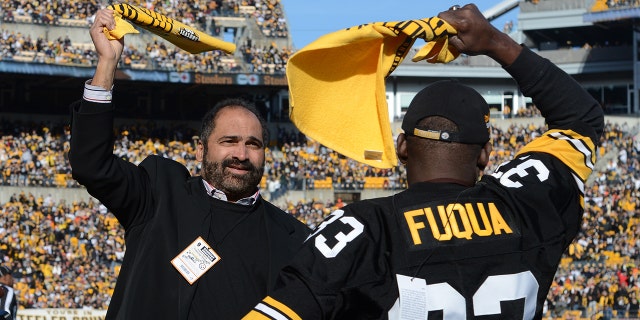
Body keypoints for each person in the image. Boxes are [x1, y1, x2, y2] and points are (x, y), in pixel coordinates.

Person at [244, 3, 604, 319]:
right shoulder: (523, 204)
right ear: (484, 154)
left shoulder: (366, 229)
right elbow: (581, 119)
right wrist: (496, 41)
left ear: (402, 146)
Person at [68, 8, 310, 320]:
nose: (242, 153)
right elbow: (89, 164)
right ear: (200, 151)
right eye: (229, 141)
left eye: (253, 144)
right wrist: (107, 63)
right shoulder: (158, 193)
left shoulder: (293, 238)